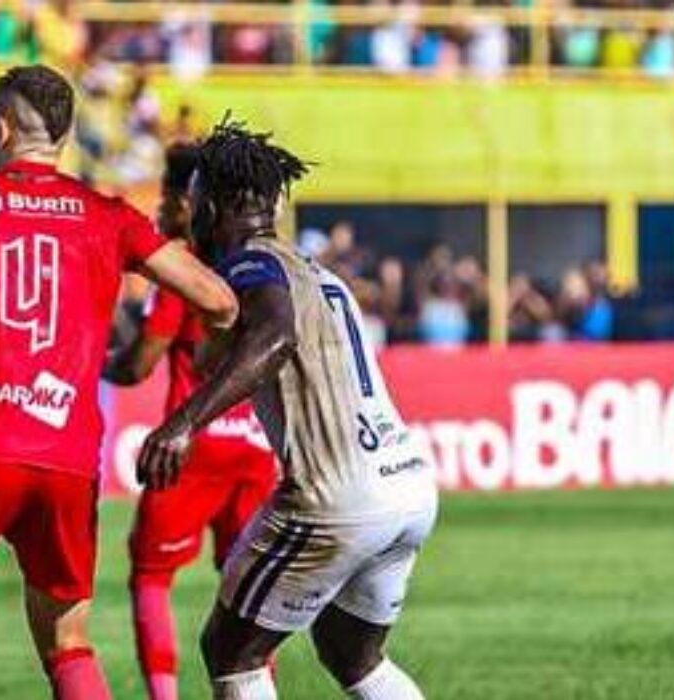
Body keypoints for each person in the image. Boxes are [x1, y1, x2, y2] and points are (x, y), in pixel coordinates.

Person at [0, 65, 237, 700]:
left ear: (3, 129)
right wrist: (211, 375)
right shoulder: (109, 217)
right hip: (67, 458)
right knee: (68, 644)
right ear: (62, 140)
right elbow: (220, 300)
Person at [136, 119, 437, 700]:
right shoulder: (317, 271)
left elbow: (274, 336)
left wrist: (182, 424)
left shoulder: (250, 263)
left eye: (196, 196)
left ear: (215, 203)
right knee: (353, 654)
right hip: (407, 486)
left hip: (339, 495)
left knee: (231, 651)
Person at [103, 143, 274, 700]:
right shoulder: (262, 264)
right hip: (255, 448)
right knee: (247, 589)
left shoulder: (182, 266)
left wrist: (100, 360)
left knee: (151, 577)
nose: (156, 211)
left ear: (189, 200)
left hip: (193, 450)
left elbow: (140, 366)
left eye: (166, 198)